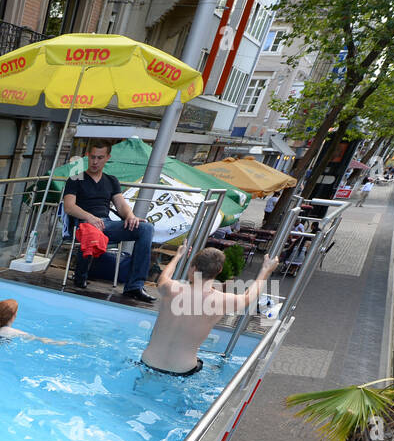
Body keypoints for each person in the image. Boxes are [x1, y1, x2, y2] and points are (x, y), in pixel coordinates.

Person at [141, 245, 279, 376]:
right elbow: (250, 296)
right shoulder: (223, 301)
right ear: (218, 271)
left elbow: (163, 277)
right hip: (181, 370)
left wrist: (178, 256)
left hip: (148, 362)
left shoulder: (170, 288)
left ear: (193, 268)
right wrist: (265, 271)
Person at [63, 140, 156, 303]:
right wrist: (90, 217)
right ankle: (80, 276)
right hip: (83, 224)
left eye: (100, 157)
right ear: (87, 156)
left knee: (146, 228)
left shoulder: (111, 180)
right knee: (93, 231)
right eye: (92, 157)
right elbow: (69, 207)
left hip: (106, 224)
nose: (95, 161)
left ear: (107, 158)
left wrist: (130, 216)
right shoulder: (75, 178)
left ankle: (134, 286)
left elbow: (121, 205)